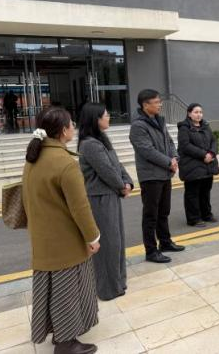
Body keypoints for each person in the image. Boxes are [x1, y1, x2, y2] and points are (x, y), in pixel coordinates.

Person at [22, 107, 100, 354]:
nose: (73, 127)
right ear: (64, 130)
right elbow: (80, 207)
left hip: (43, 238)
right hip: (65, 240)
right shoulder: (65, 163)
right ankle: (66, 343)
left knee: (51, 291)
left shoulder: (33, 157)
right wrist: (93, 237)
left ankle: (59, 334)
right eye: (71, 124)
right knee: (67, 292)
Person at [78, 103, 133, 301]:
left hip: (110, 194)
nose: (109, 117)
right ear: (96, 119)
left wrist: (127, 182)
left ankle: (117, 282)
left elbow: (116, 164)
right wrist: (121, 186)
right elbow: (106, 170)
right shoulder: (89, 144)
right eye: (106, 115)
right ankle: (108, 288)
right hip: (100, 198)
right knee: (108, 243)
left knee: (116, 241)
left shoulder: (100, 139)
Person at [129, 89, 184, 264]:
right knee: (151, 215)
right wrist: (168, 162)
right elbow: (147, 150)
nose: (160, 104)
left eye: (160, 101)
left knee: (163, 211)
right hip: (151, 176)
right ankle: (151, 251)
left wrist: (174, 157)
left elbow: (170, 142)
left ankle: (165, 242)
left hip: (165, 173)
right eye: (157, 102)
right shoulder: (138, 126)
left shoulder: (159, 121)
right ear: (145, 105)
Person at [177, 103, 219, 228]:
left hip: (208, 164)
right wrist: (203, 155)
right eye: (196, 112)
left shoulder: (205, 126)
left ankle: (206, 214)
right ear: (189, 113)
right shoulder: (184, 128)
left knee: (205, 191)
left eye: (200, 112)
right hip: (192, 165)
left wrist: (211, 153)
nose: (199, 115)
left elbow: (213, 141)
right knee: (192, 193)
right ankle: (194, 218)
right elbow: (185, 146)